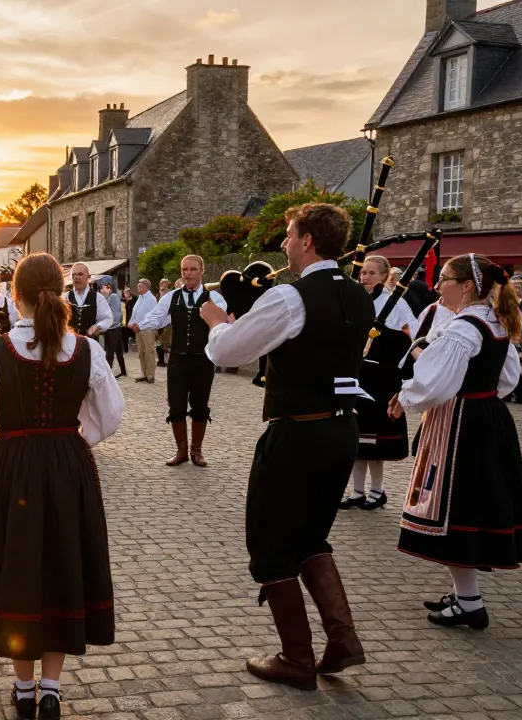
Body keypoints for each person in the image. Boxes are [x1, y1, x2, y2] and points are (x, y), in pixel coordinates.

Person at [0, 252, 122, 720]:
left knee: (18, 567)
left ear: (14, 295)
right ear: (60, 294)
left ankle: (24, 689)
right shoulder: (86, 349)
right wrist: (73, 439)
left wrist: (1, 430)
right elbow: (109, 416)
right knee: (64, 563)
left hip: (14, 466)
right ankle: (52, 689)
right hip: (68, 466)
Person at [201, 203, 374, 691]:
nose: (283, 244)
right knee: (311, 538)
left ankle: (297, 658)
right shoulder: (358, 295)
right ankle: (342, 639)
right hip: (342, 430)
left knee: (271, 544)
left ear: (307, 241)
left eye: (289, 235)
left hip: (299, 433)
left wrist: (216, 321)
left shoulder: (290, 298)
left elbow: (227, 351)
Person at [390, 253, 522, 629]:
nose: (438, 286)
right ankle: (466, 595)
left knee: (455, 510)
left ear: (467, 286)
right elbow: (507, 380)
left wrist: (405, 398)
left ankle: (470, 603)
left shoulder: (465, 327)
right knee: (469, 508)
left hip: (461, 423)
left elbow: (435, 383)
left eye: (445, 279)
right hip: (488, 418)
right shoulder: (492, 322)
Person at [340, 255, 416, 511]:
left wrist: (395, 367)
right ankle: (357, 491)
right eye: (363, 272)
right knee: (356, 438)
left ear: (385, 275)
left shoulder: (395, 303)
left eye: (372, 273)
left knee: (375, 440)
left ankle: (377, 491)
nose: (366, 277)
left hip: (381, 378)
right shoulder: (355, 300)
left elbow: (412, 336)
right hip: (356, 374)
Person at [136, 255, 226, 468]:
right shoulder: (172, 297)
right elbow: (157, 316)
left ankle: (197, 451)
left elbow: (222, 322)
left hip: (203, 360)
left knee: (200, 405)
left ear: (202, 271)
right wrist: (140, 325)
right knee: (175, 405)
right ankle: (181, 451)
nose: (188, 273)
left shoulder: (213, 297)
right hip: (177, 360)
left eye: (193, 269)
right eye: (185, 270)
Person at [64, 263, 113, 341]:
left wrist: (97, 327)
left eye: (80, 274)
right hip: (70, 343)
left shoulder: (98, 298)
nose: (76, 277)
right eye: (74, 275)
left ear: (88, 277)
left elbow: (108, 318)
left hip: (91, 342)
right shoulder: (65, 298)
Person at [128, 279, 158, 383]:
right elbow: (135, 313)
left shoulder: (151, 299)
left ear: (146, 286)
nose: (138, 287)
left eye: (140, 285)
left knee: (149, 352)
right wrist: (131, 323)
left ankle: (150, 376)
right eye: (138, 285)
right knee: (141, 353)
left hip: (148, 330)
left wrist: (139, 326)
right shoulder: (140, 298)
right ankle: (144, 374)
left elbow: (150, 316)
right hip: (138, 330)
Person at [101, 283, 126, 378]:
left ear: (109, 288)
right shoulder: (109, 298)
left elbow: (115, 314)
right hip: (114, 328)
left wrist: (107, 325)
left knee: (110, 352)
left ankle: (108, 374)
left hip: (112, 328)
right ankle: (123, 371)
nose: (101, 290)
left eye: (103, 288)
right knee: (118, 352)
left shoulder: (113, 297)